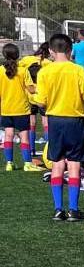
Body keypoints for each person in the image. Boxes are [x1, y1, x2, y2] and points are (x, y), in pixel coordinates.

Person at [35, 34, 84, 221]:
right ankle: (74, 210)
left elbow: (41, 102)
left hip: (55, 121)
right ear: (71, 50)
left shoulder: (45, 72)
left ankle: (58, 209)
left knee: (57, 164)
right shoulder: (79, 71)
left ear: (51, 51)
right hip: (76, 120)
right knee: (74, 164)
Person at [1, 43, 38, 171]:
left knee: (8, 135)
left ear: (4, 55)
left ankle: (9, 163)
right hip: (21, 108)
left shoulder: (0, 70)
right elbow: (31, 89)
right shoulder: (23, 71)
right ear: (17, 55)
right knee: (24, 137)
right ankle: (27, 163)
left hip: (6, 109)